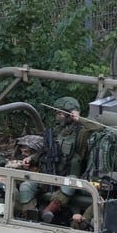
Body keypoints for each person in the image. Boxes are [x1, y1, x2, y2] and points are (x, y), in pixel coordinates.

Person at [40, 96, 92, 224]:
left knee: (69, 184)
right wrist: (30, 158)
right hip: (50, 173)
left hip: (71, 176)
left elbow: (99, 128)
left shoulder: (82, 131)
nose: (57, 116)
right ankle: (25, 214)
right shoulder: (57, 131)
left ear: (70, 114)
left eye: (60, 113)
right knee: (27, 185)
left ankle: (48, 211)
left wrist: (79, 119)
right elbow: (44, 151)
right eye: (56, 113)